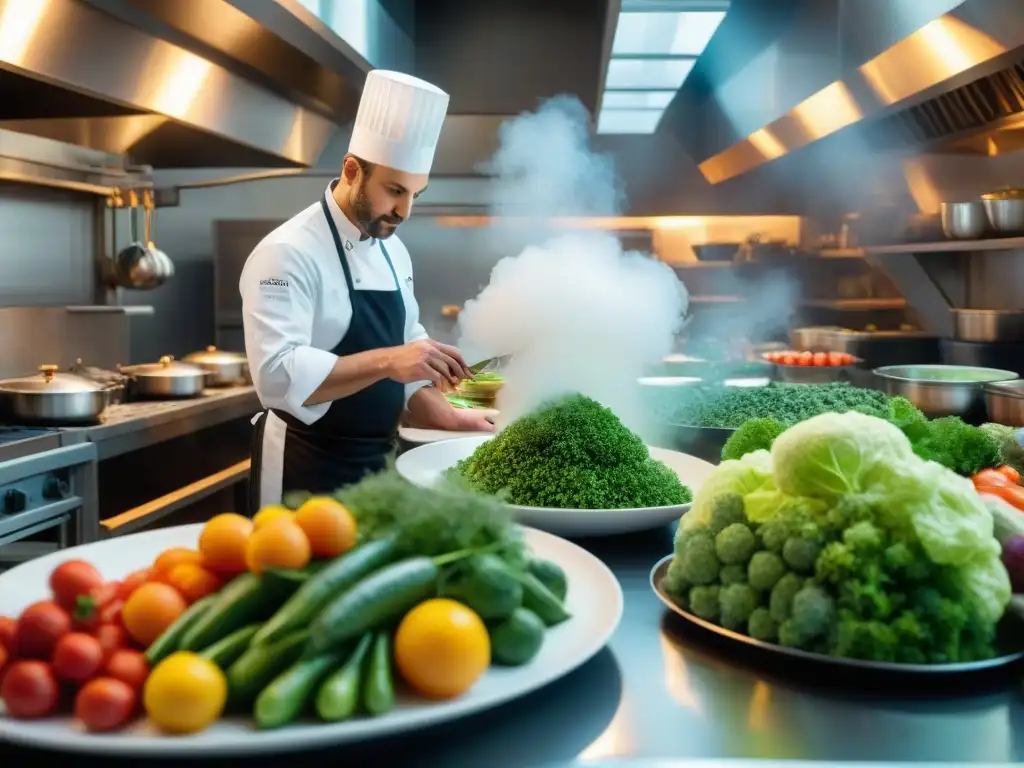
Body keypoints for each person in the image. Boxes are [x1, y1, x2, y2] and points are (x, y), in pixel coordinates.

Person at [240, 69, 494, 512]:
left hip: (378, 467)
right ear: (352, 170)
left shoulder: (393, 252)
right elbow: (277, 377)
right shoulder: (286, 252)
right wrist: (391, 360)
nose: (405, 210)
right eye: (395, 190)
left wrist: (452, 416)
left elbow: (405, 353)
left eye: (416, 193)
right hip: (305, 470)